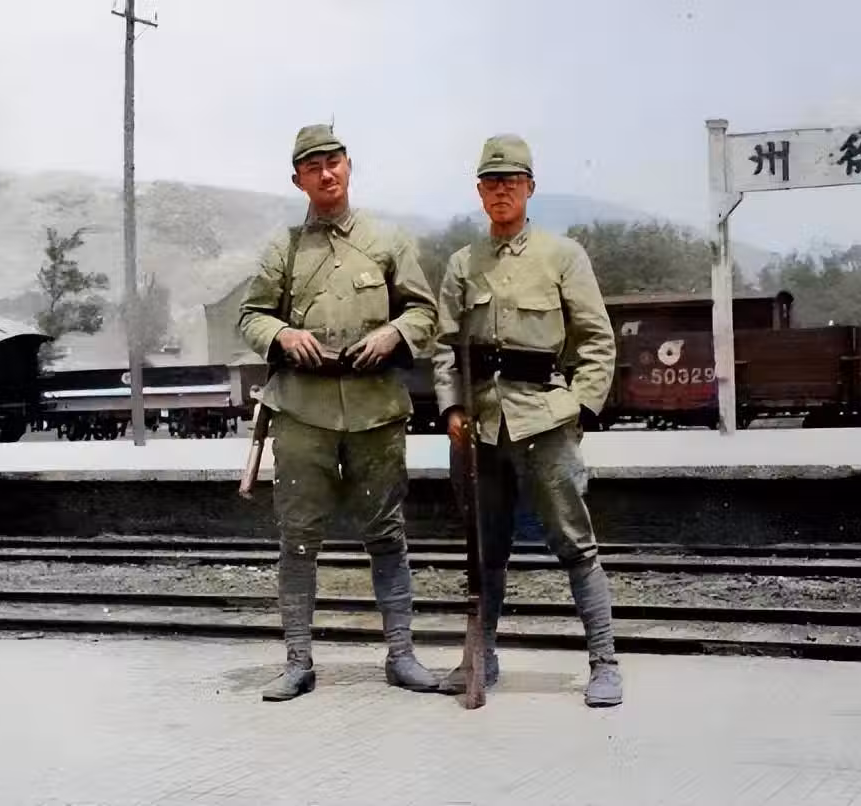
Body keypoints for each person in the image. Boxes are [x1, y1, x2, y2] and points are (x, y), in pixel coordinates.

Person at [238, 123, 441, 701]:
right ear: (298, 180)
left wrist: (395, 333)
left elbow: (425, 313)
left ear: (349, 166)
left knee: (387, 536)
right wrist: (282, 334)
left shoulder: (388, 240)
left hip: (376, 413)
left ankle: (401, 656)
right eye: (313, 167)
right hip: (303, 415)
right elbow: (250, 316)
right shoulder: (283, 249)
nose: (326, 173)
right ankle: (298, 661)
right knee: (298, 540)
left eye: (334, 162)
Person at [431, 134, 622, 707]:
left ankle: (604, 664)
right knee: (485, 551)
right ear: (479, 192)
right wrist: (452, 407)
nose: (501, 191)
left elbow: (597, 341)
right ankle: (481, 659)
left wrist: (578, 408)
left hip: (545, 421)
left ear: (530, 188)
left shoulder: (563, 256)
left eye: (511, 181)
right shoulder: (463, 265)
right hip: (482, 429)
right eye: (491, 182)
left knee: (575, 545)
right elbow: (444, 348)